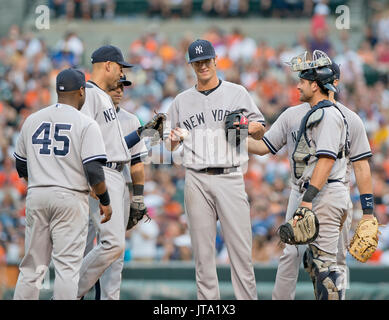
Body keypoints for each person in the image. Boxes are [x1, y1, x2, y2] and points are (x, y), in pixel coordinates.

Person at [248, 52, 373, 300]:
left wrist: (368, 211)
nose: (297, 85)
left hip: (332, 189)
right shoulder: (292, 114)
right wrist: (234, 139)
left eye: (303, 79)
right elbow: (265, 147)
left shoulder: (349, 118)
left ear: (319, 83)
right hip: (300, 190)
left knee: (332, 261)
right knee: (291, 255)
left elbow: (361, 166)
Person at [165, 39, 266, 300]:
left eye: (206, 61)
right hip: (196, 177)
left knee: (241, 255)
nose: (202, 66)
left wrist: (242, 124)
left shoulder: (236, 92)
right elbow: (168, 143)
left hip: (230, 175)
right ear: (191, 65)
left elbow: (260, 127)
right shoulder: (181, 100)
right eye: (197, 62)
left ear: (215, 60)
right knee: (203, 257)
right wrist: (173, 138)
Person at [12, 68, 112, 300]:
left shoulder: (32, 120)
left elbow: (21, 166)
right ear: (81, 91)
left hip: (37, 195)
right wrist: (105, 200)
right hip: (70, 198)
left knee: (33, 269)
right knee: (67, 268)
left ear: (58, 91)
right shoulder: (86, 123)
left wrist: (41, 180)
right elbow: (94, 171)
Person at [76, 45, 156, 300]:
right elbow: (84, 138)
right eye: (120, 71)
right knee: (105, 245)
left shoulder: (113, 107)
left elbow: (120, 148)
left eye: (124, 83)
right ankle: (68, 293)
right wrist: (91, 177)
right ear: (108, 66)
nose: (121, 82)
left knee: (114, 251)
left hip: (114, 175)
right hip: (99, 174)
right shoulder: (91, 94)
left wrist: (138, 196)